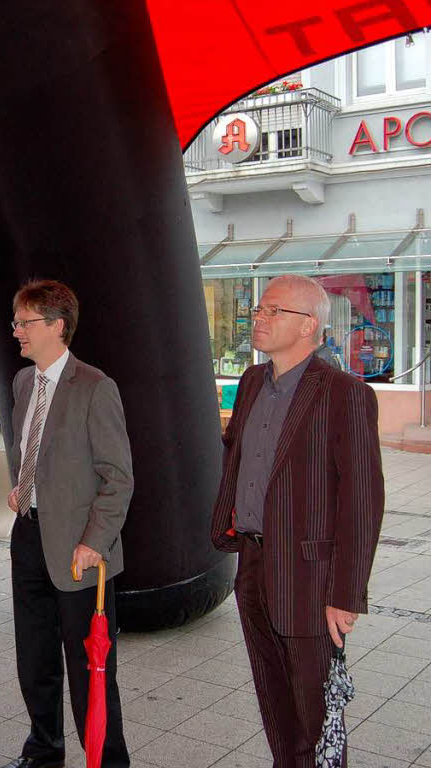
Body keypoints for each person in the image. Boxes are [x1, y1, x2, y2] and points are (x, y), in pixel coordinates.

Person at [211, 274, 384, 767]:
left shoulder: (343, 393)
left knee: (316, 715)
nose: (257, 319)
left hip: (309, 577)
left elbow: (363, 499)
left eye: (273, 311)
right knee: (274, 703)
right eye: (259, 309)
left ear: (309, 325)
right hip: (253, 563)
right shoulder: (250, 383)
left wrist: (346, 594)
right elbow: (237, 459)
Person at [3, 279, 132, 768]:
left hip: (80, 552)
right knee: (34, 658)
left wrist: (94, 542)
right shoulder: (21, 382)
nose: (16, 331)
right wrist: (23, 487)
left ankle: (107, 760)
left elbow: (118, 478)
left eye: (25, 322)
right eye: (16, 321)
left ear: (57, 326)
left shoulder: (96, 388)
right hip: (29, 536)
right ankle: (43, 749)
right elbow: (29, 450)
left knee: (90, 671)